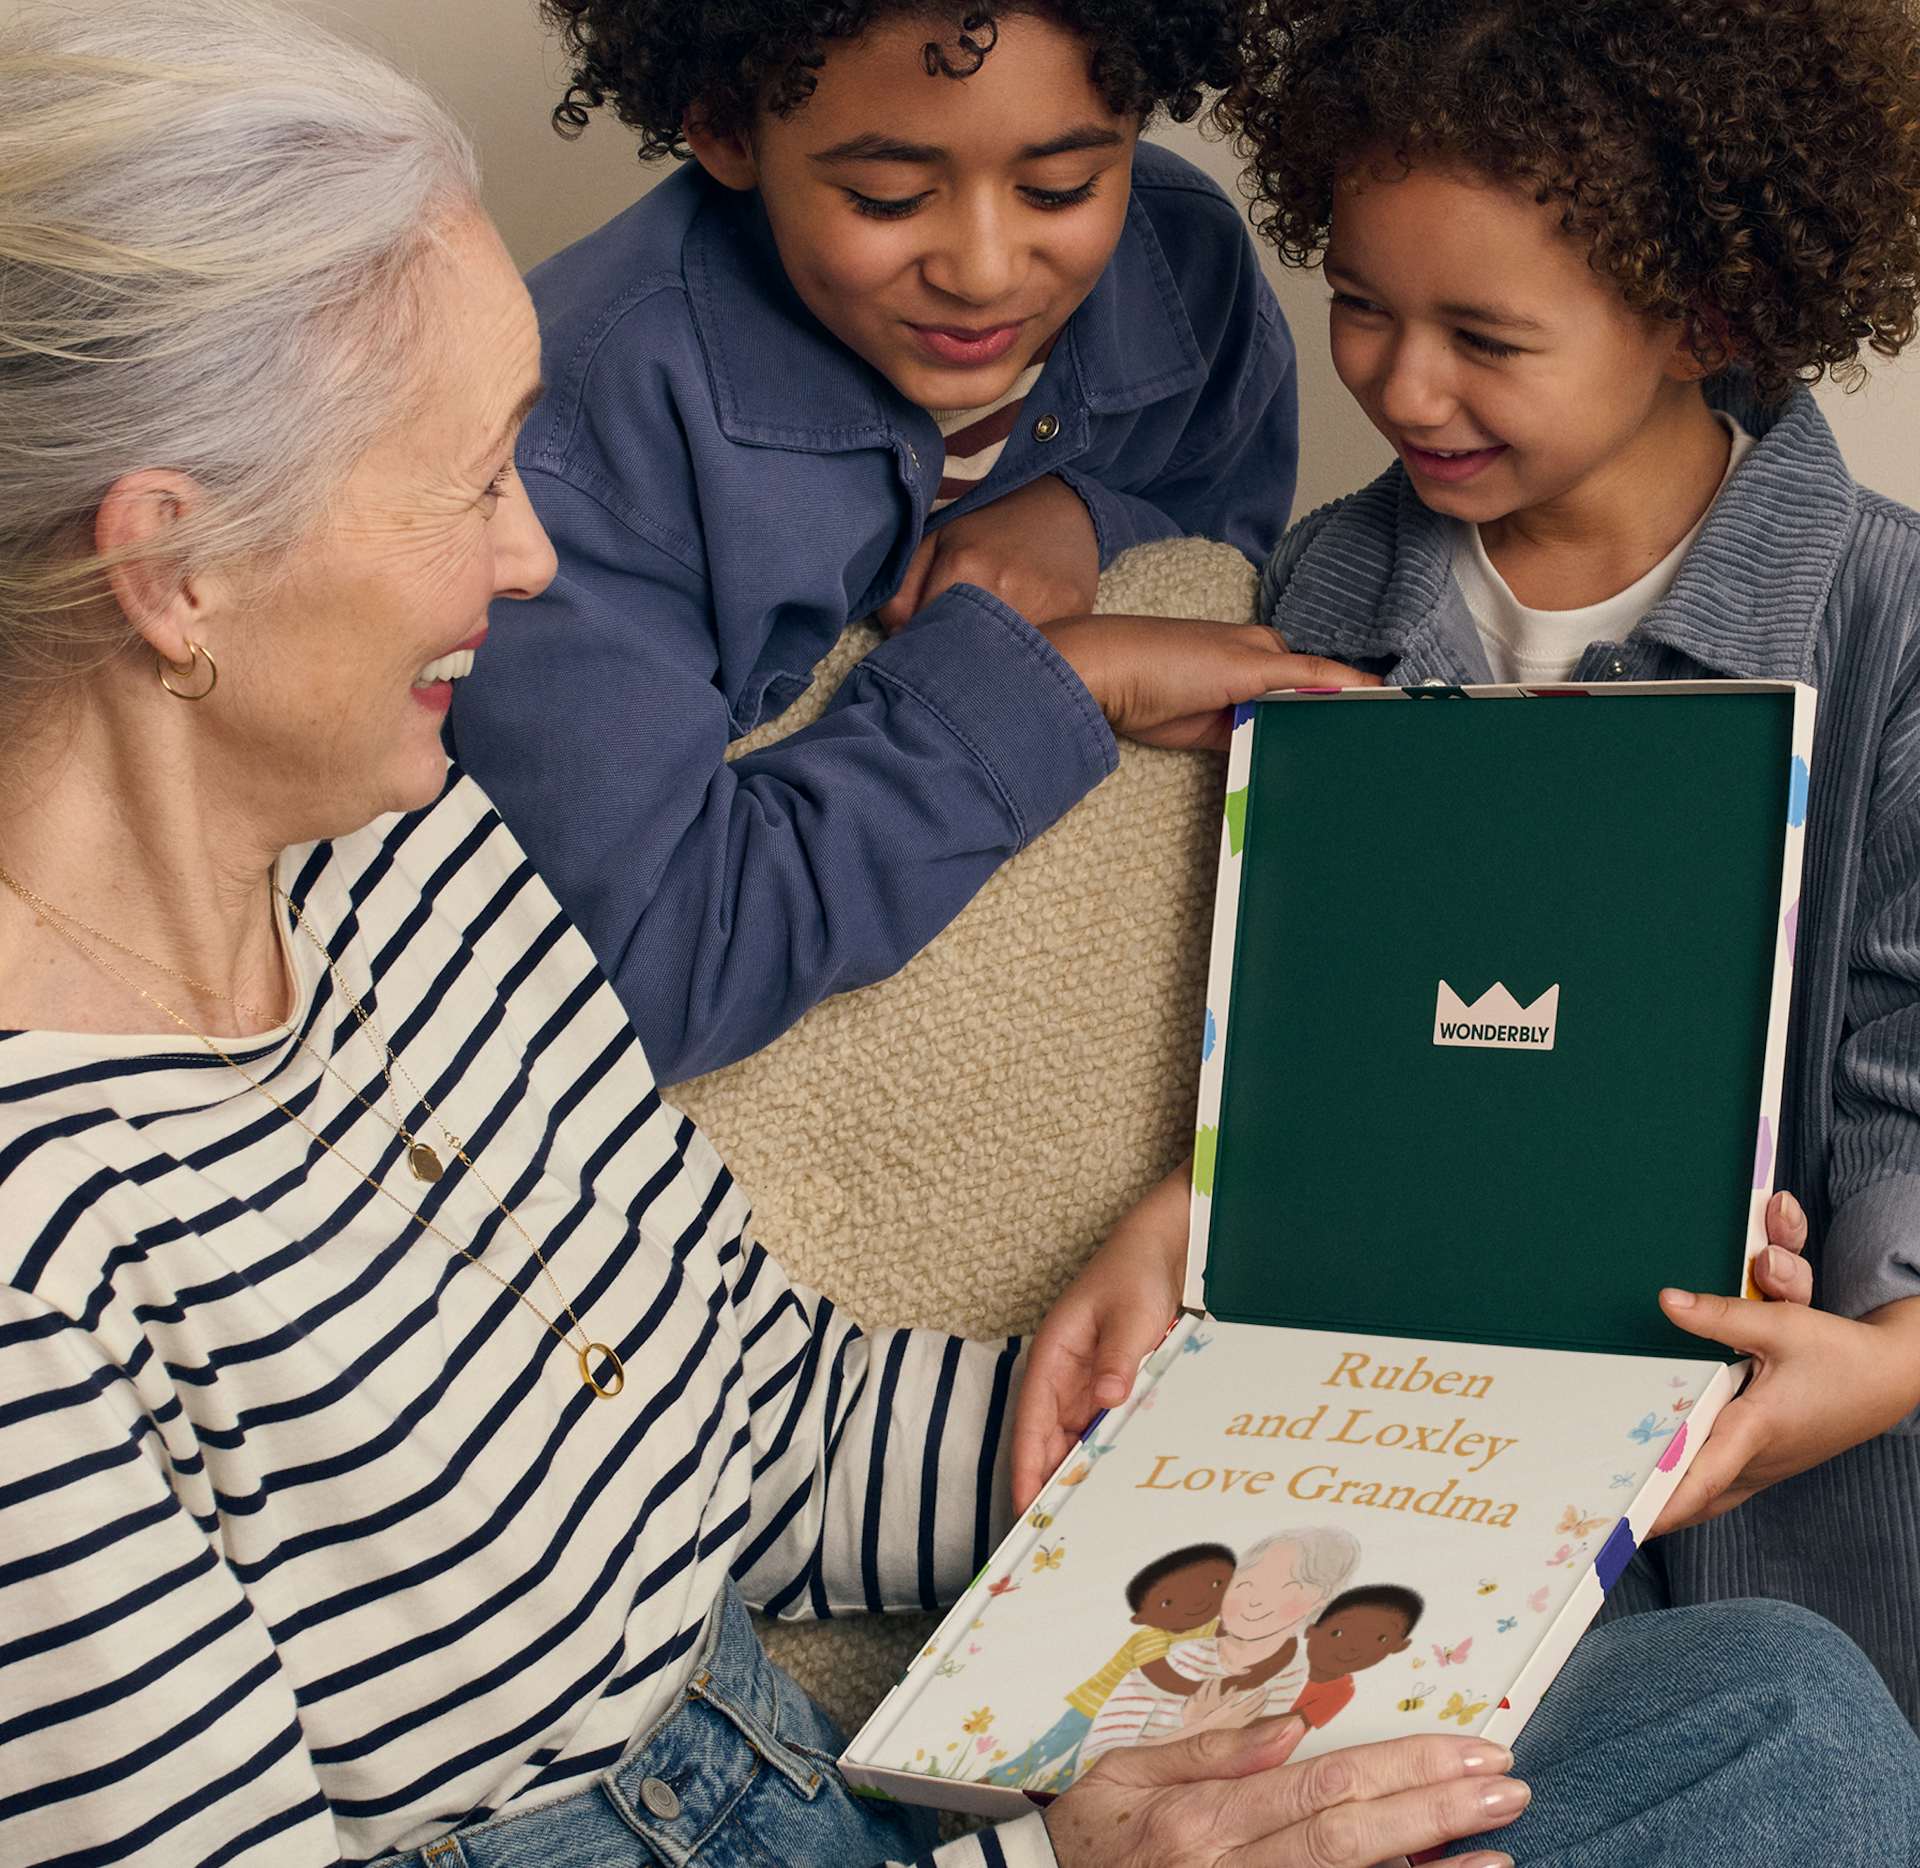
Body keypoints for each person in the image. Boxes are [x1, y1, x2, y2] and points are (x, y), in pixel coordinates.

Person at [5, 9, 1920, 1868]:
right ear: (172, 566)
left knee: (1783, 1706)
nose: (534, 560)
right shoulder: (43, 1252)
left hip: (821, 1785)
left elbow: (754, 1413)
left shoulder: (420, 864)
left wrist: (1162, 1394)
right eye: (476, 481)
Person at [1018, 0, 1920, 1729]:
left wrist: (1877, 1365)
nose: (1400, 384)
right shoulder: (1326, 589)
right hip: (1414, 1493)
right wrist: (1193, 1206)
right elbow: (1321, 1013)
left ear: (1708, 313)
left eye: (1485, 338)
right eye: (1361, 303)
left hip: (1803, 1528)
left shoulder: (1894, 626)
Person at [446, 0, 1327, 1082]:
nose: (984, 271)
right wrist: (1060, 677)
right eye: (888, 197)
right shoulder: (576, 442)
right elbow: (614, 976)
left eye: (1062, 187)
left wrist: (1085, 514)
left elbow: (1232, 554)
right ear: (725, 126)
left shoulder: (1183, 261)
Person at [1079, 1529, 1352, 1767]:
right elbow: (1093, 1767)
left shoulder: (1296, 1676)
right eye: (1245, 1584)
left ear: (1319, 1601)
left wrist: (1204, 1732)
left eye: (1285, 1590)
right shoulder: (1175, 1661)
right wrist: (1201, 1730)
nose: (1255, 1601)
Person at [983, 1541, 1235, 1787]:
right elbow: (1159, 1675)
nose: (1197, 1602)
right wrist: (1206, 1690)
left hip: (1124, 1713)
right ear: (1141, 1619)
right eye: (1168, 1602)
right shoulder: (1150, 1637)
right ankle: (995, 1780)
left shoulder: (1205, 1628)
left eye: (1215, 1584)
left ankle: (1057, 1792)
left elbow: (1234, 1634)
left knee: (1084, 1766)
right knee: (1049, 1748)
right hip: (1093, 1705)